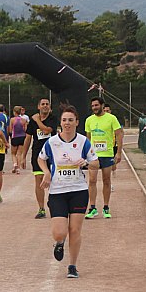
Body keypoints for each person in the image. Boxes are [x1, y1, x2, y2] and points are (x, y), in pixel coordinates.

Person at [38, 105, 99, 278]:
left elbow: (96, 163)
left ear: (77, 122)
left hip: (78, 190)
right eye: (64, 120)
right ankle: (60, 241)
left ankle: (72, 266)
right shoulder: (52, 142)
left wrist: (86, 163)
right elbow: (41, 159)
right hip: (58, 191)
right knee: (59, 232)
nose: (67, 123)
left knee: (75, 230)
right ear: (61, 122)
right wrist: (47, 173)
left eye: (71, 120)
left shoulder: (83, 142)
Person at [84, 97, 123, 219]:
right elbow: (88, 138)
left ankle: (106, 207)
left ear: (102, 105)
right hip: (94, 156)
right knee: (92, 180)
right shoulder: (89, 120)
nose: (94, 108)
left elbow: (119, 134)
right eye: (92, 106)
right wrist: (87, 154)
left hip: (107, 154)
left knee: (106, 180)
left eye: (96, 105)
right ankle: (92, 207)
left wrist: (119, 153)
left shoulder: (111, 118)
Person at [23, 98, 59, 219]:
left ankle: (55, 205)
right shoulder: (32, 122)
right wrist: (23, 157)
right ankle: (41, 208)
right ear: (38, 106)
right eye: (43, 104)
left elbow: (47, 130)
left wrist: (37, 119)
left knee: (54, 181)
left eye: (47, 104)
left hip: (52, 154)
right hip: (37, 155)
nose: (45, 106)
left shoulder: (53, 119)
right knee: (39, 180)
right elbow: (28, 138)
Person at [103, 104, 119, 191]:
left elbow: (119, 132)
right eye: (104, 111)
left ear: (110, 111)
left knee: (112, 166)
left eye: (107, 111)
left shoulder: (113, 119)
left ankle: (111, 181)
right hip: (102, 148)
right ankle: (109, 184)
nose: (106, 112)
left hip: (112, 146)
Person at [8, 105, 28, 173]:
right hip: (22, 137)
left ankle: (15, 164)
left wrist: (10, 137)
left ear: (14, 112)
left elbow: (10, 130)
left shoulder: (12, 120)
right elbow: (26, 130)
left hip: (15, 137)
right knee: (19, 153)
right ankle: (18, 169)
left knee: (13, 153)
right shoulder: (24, 120)